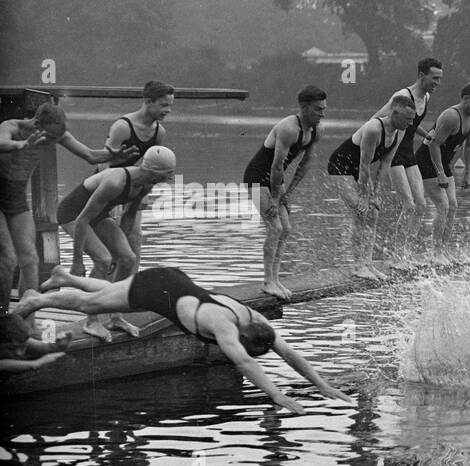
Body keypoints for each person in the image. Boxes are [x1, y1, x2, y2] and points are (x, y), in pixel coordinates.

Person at [14, 266, 355, 414]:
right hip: (157, 288)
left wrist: (321, 384)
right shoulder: (224, 325)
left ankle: (64, 277)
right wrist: (277, 394)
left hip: (170, 281)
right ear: (238, 337)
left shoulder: (257, 321)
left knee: (111, 295)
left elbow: (289, 354)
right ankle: (36, 300)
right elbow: (244, 361)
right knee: (92, 305)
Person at [0, 103, 120, 311]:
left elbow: (90, 155)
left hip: (16, 199)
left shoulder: (57, 134)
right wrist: (21, 145)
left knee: (30, 260)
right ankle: (3, 317)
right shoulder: (11, 127)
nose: (54, 142)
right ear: (37, 124)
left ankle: (25, 320)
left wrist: (116, 155)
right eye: (51, 138)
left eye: (58, 138)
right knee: (8, 258)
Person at [55, 146, 177, 339]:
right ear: (152, 172)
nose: (164, 181)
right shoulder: (115, 181)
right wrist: (77, 261)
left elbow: (128, 217)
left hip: (98, 215)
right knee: (103, 260)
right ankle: (91, 321)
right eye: (164, 177)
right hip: (73, 214)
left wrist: (119, 250)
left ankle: (115, 316)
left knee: (128, 258)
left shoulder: (146, 183)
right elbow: (82, 220)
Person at [243, 85, 327, 300]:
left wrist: (287, 193)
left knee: (286, 228)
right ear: (304, 107)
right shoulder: (289, 128)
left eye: (323, 109)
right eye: (317, 109)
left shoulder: (316, 130)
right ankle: (267, 282)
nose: (321, 114)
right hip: (257, 178)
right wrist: (275, 197)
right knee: (275, 228)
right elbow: (276, 166)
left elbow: (305, 164)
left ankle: (276, 279)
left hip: (274, 181)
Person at [326, 100, 416, 280]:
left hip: (360, 170)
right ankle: (358, 266)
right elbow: (364, 165)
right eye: (407, 118)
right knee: (361, 211)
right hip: (340, 166)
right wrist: (363, 196)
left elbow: (385, 164)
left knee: (373, 213)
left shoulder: (400, 132)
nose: (411, 123)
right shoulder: (374, 128)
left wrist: (374, 196)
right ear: (394, 113)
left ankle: (368, 264)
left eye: (412, 119)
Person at [372, 58, 443, 265]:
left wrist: (425, 135)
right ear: (421, 76)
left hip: (409, 153)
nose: (437, 82)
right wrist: (377, 147)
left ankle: (406, 254)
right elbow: (378, 118)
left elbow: (410, 124)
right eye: (434, 78)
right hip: (393, 154)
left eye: (440, 78)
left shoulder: (427, 97)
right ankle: (396, 256)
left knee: (421, 206)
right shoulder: (402, 95)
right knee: (409, 205)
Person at [418, 82, 470, 247]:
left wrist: (468, 174)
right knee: (443, 206)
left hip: (443, 162)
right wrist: (440, 173)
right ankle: (436, 252)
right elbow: (433, 144)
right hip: (427, 161)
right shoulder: (451, 116)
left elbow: (469, 145)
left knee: (453, 206)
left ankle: (443, 249)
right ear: (465, 98)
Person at [103, 81, 173, 165]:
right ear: (148, 101)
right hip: (104, 177)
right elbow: (103, 162)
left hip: (129, 176)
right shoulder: (122, 127)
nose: (169, 110)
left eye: (170, 106)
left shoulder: (159, 132)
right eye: (164, 105)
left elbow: (153, 165)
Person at [0, 313, 69, 374]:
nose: (19, 353)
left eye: (23, 347)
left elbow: (46, 347)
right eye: (11, 348)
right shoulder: (10, 340)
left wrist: (58, 344)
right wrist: (37, 363)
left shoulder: (20, 339)